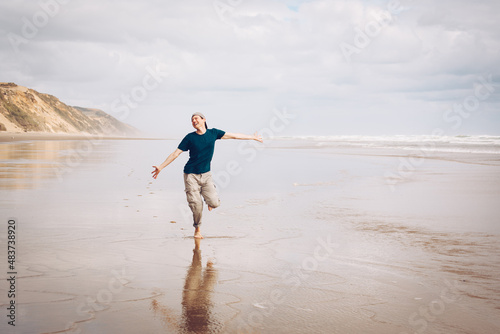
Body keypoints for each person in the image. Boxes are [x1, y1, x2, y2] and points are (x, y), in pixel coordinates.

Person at [152, 112, 263, 239]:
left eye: (196, 118)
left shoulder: (213, 133)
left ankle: (209, 199)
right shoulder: (189, 137)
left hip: (206, 175)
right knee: (196, 205)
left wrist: (252, 138)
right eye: (192, 120)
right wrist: (161, 167)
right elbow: (175, 153)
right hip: (190, 175)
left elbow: (234, 136)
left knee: (215, 203)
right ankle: (197, 229)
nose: (194, 121)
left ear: (204, 120)